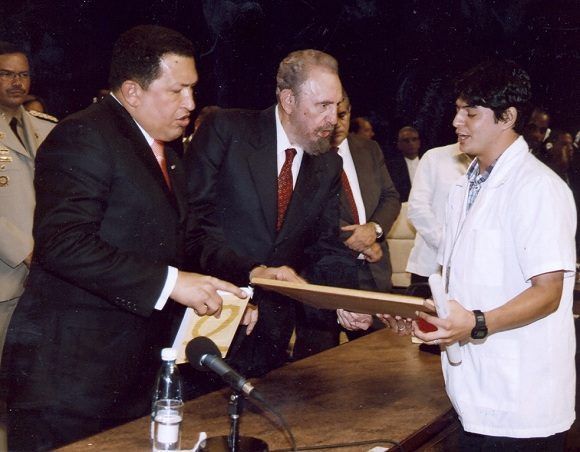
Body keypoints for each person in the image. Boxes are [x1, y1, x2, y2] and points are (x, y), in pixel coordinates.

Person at [1, 25, 249, 451]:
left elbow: (178, 242)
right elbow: (63, 244)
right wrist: (174, 284)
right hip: (67, 380)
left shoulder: (164, 150)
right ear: (133, 92)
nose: (191, 104)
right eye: (177, 91)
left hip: (125, 376)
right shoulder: (84, 135)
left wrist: (231, 282)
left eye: (193, 89)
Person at [414, 60, 576, 450]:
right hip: (473, 392)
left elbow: (548, 292)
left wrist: (477, 323)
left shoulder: (537, 188)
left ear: (508, 117)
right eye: (457, 110)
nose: (456, 122)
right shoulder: (464, 186)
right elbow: (464, 278)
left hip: (522, 401)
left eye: (470, 112)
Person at [184, 49, 344, 377]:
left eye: (337, 107)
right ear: (288, 100)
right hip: (212, 311)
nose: (334, 118)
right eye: (323, 106)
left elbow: (325, 248)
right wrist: (251, 271)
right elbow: (192, 222)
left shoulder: (328, 164)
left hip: (272, 332)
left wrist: (346, 301)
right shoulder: (226, 131)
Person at [293, 92, 401, 358]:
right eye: (328, 114)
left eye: (343, 115)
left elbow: (391, 196)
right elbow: (307, 215)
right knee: (315, 363)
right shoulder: (304, 153)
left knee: (379, 362)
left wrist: (373, 230)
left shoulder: (368, 149)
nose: (336, 123)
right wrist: (357, 243)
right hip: (323, 276)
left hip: (373, 273)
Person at [0, 41, 57, 364]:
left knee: (33, 371)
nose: (17, 82)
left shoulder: (47, 128)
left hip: (46, 272)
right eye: (6, 74)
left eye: (22, 74)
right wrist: (24, 250)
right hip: (6, 269)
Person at [405, 143, 471, 290]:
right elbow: (417, 208)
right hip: (431, 265)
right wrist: (449, 247)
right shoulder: (435, 157)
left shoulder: (497, 163)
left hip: (477, 271)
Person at [387, 126, 421, 202]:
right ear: (399, 145)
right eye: (406, 140)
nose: (411, 143)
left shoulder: (428, 162)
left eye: (414, 139)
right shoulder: (392, 168)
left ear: (419, 142)